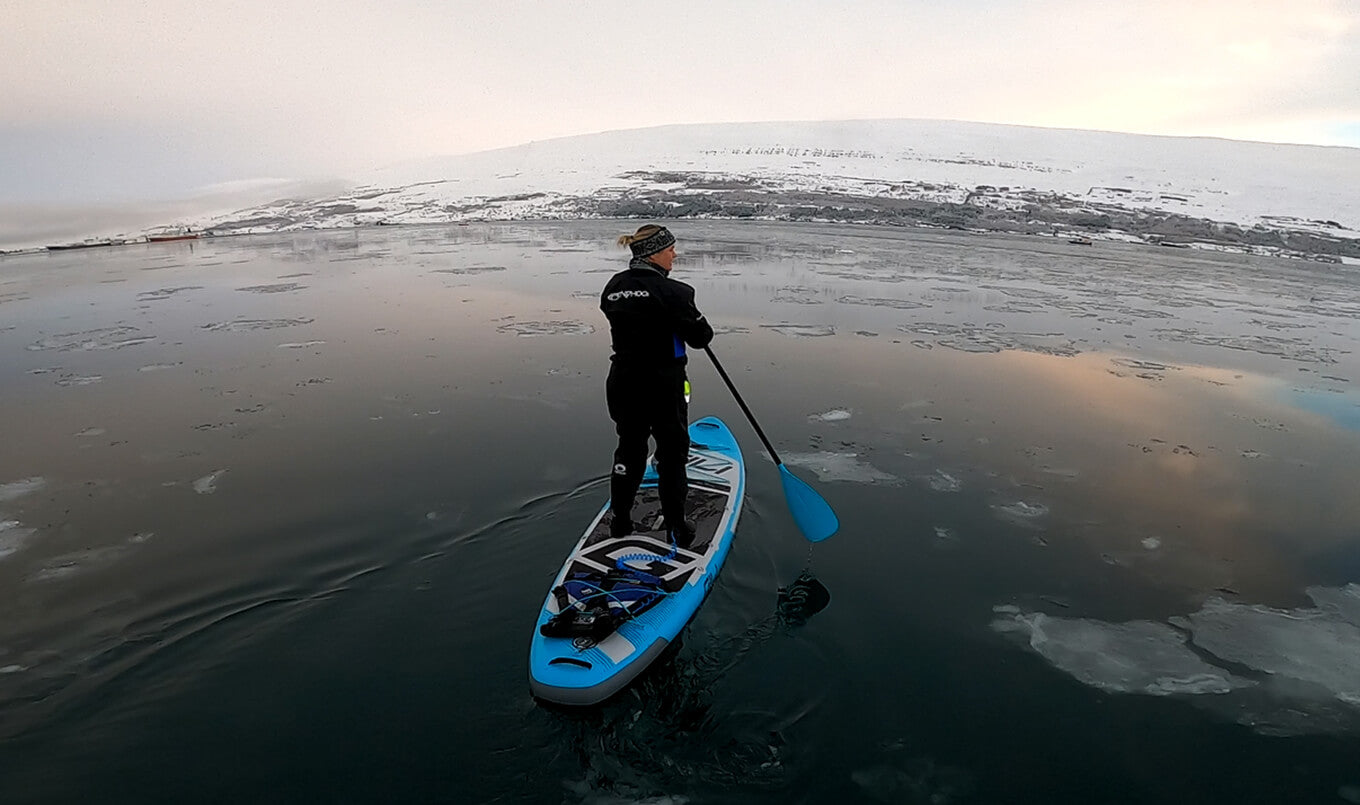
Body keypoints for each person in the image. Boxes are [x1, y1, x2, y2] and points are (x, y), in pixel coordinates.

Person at [600, 224, 714, 546]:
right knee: (672, 454)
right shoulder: (676, 293)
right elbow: (701, 338)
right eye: (669, 250)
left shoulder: (613, 287)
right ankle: (678, 527)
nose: (674, 255)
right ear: (653, 253)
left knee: (630, 448)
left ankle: (620, 521)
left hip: (623, 382)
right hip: (663, 385)